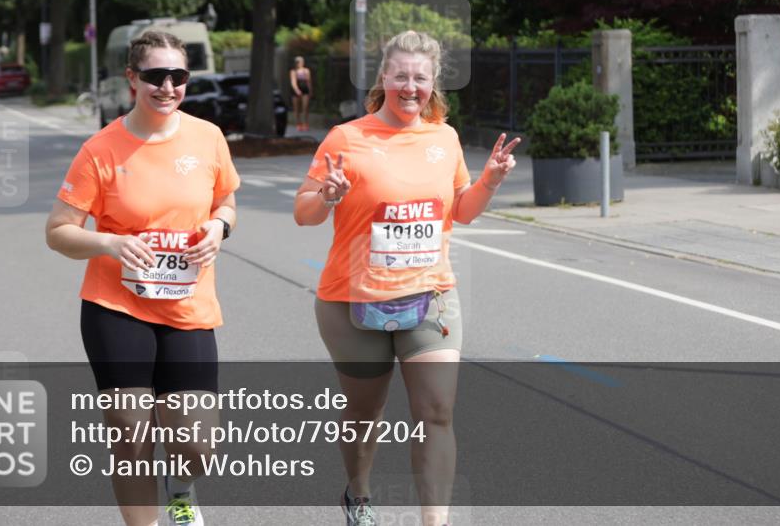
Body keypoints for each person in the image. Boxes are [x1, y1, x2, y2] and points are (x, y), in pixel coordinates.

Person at [293, 30, 519, 526]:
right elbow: (303, 213)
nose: (410, 87)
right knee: (363, 415)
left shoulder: (444, 138)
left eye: (420, 77)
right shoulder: (346, 138)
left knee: (436, 413)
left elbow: (462, 211)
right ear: (383, 79)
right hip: (352, 302)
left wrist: (491, 181)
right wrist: (327, 196)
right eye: (401, 76)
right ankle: (360, 497)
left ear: (434, 82)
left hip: (430, 297)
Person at [45, 30, 240, 526]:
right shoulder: (101, 150)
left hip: (187, 308)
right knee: (130, 434)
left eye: (178, 76)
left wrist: (220, 226)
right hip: (116, 307)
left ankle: (180, 486)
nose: (168, 86)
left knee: (198, 445)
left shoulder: (207, 137)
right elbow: (58, 231)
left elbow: (226, 200)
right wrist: (110, 242)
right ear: (132, 79)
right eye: (155, 76)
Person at [290, 55, 313, 131]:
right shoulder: (293, 71)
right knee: (297, 108)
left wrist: (310, 90)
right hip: (296, 90)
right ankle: (298, 123)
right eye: (299, 62)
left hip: (305, 89)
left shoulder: (306, 70)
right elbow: (293, 82)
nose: (301, 63)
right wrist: (297, 90)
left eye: (302, 61)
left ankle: (305, 123)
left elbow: (308, 82)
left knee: (305, 107)